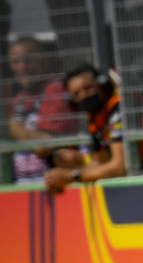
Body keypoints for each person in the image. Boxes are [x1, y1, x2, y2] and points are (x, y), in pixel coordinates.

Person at [44, 64, 126, 193]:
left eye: (88, 88)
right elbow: (101, 162)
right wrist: (61, 176)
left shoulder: (117, 108)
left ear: (101, 85)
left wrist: (72, 176)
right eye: (76, 94)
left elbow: (120, 167)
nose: (84, 95)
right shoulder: (94, 119)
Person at [6, 36, 78, 183]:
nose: (22, 67)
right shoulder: (20, 98)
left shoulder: (55, 90)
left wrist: (14, 128)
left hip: (53, 185)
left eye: (28, 59)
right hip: (22, 187)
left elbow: (44, 146)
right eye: (16, 62)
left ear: (44, 60)